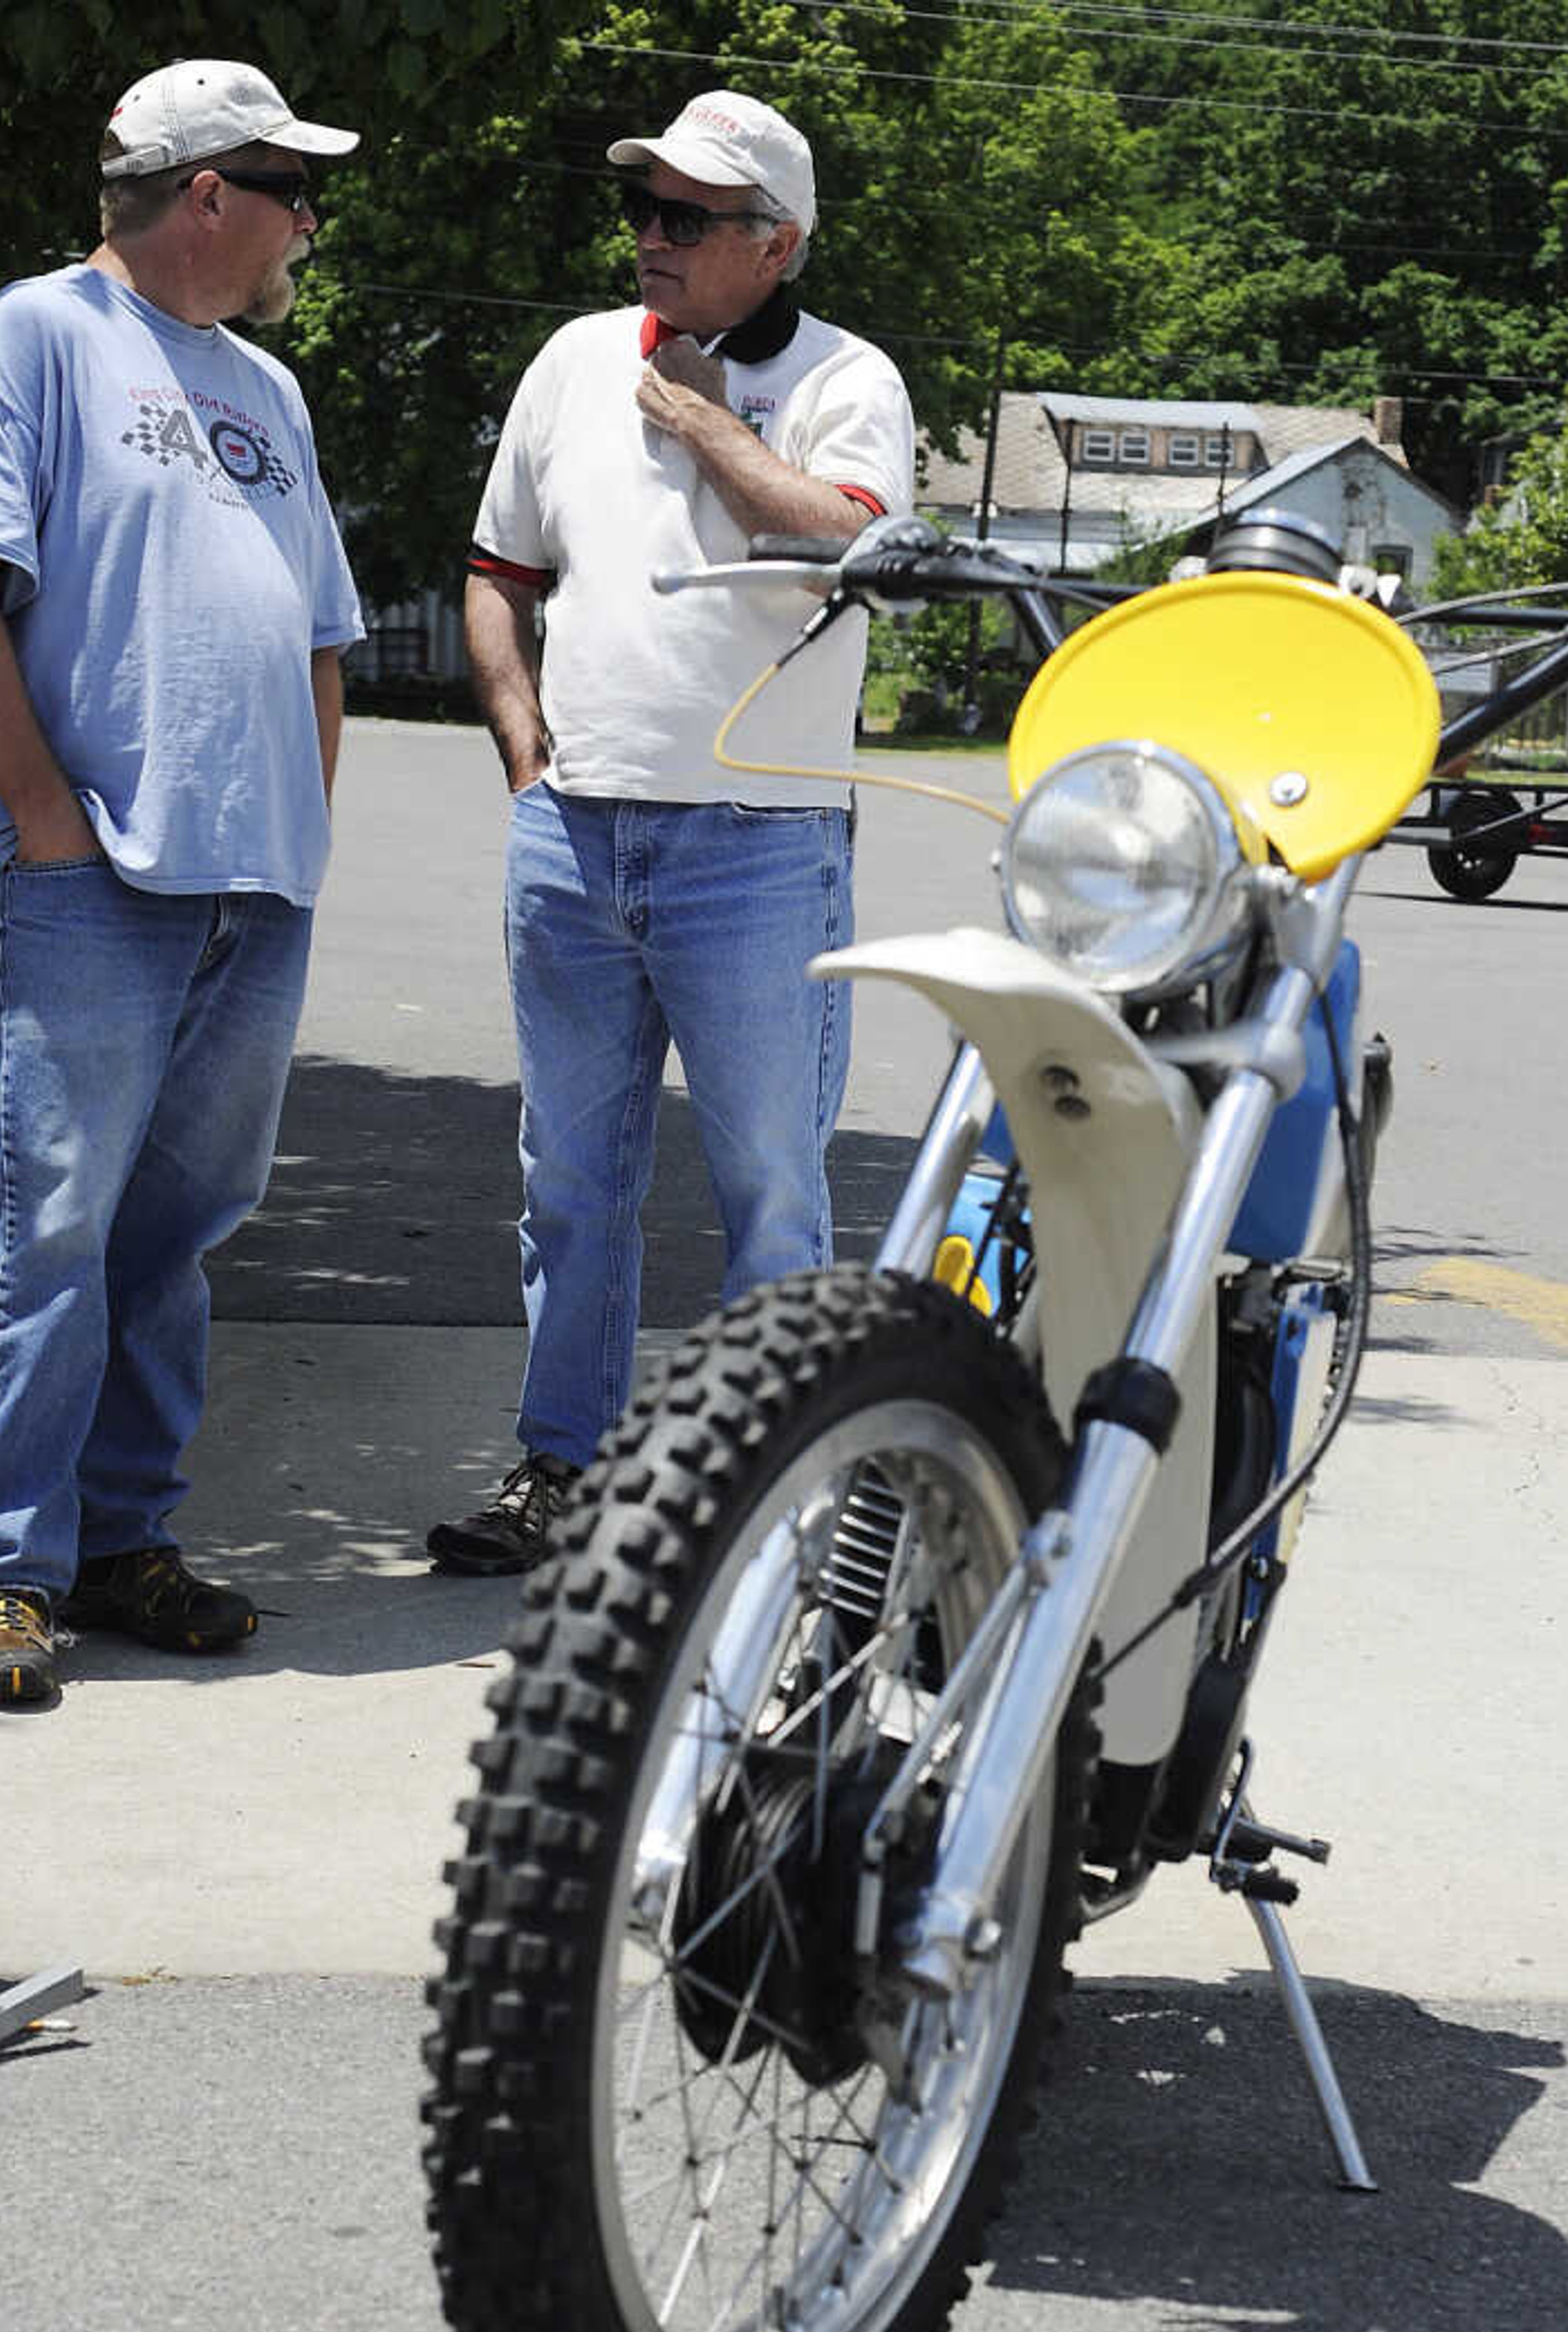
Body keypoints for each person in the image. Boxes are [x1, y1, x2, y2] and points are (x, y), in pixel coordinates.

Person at [0, 59, 366, 1710]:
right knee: (52, 1217)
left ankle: (118, 1541)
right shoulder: (34, 338)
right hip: (94, 874)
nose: (312, 221)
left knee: (175, 1227)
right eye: (294, 189)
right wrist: (43, 817)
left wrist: (299, 828)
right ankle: (0, 1572)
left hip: (254, 885)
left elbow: (318, 636)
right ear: (209, 193)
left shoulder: (268, 390)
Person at [426, 89, 915, 1575]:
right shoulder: (576, 361)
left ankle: (773, 1501)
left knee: (771, 1183)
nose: (651, 237)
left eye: (688, 218)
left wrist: (702, 415)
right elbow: (497, 569)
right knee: (571, 1183)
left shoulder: (850, 380)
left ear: (779, 243)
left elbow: (852, 535)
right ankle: (561, 1465)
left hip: (758, 846)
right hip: (574, 839)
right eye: (643, 210)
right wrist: (523, 746)